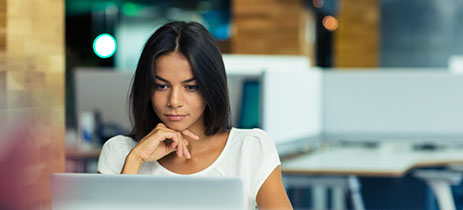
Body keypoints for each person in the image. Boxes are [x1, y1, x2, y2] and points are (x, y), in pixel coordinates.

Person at [97, 21, 293, 210]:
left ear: (211, 87)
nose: (174, 101)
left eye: (191, 87)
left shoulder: (250, 148)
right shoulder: (120, 152)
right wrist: (135, 160)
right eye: (161, 86)